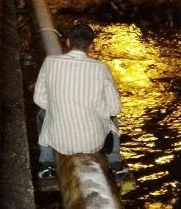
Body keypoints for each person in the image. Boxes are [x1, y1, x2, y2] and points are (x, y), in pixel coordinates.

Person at [33, 23, 125, 180]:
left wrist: (60, 104)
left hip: (59, 143)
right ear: (91, 46)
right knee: (113, 119)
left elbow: (39, 99)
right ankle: (116, 163)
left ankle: (46, 162)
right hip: (94, 143)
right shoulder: (101, 68)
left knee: (42, 114)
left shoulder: (50, 62)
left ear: (68, 42)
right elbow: (114, 108)